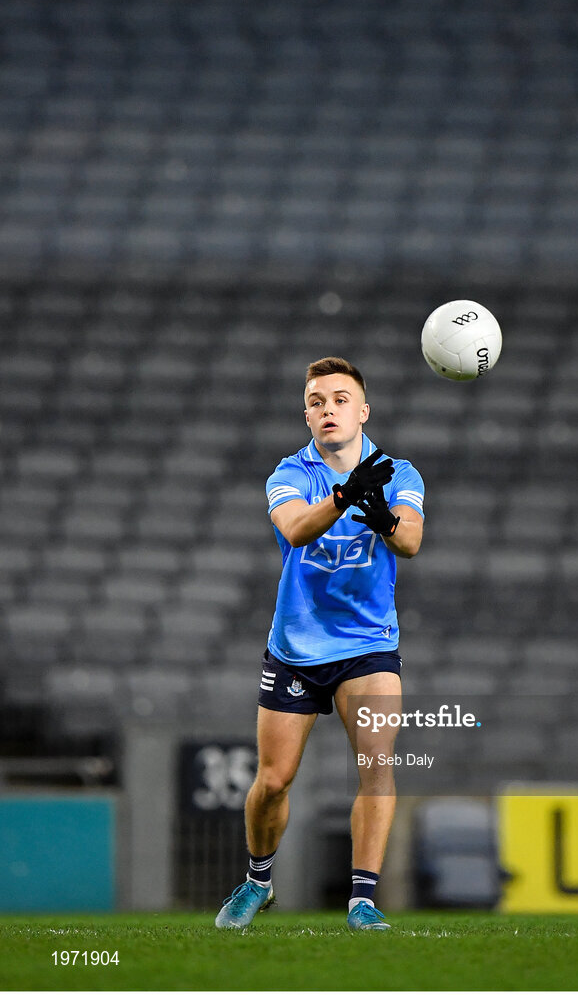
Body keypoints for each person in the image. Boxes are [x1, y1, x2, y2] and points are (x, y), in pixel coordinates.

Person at [215, 356, 424, 932]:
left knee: (377, 766)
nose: (327, 409)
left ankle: (361, 900)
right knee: (274, 780)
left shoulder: (399, 472)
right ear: (306, 415)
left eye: (338, 398)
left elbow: (409, 541)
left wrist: (377, 511)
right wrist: (343, 495)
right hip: (298, 649)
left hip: (368, 646)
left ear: (363, 411)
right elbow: (296, 529)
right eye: (315, 401)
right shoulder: (288, 473)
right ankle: (259, 881)